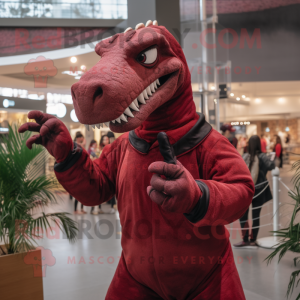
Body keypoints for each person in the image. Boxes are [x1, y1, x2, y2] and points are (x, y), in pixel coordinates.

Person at [234, 135, 275, 248]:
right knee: (256, 215)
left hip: (246, 190)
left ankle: (245, 240)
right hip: (260, 190)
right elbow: (271, 166)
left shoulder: (245, 156)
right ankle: (253, 240)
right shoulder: (262, 156)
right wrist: (272, 158)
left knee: (243, 216)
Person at [73, 132, 86, 214]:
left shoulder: (79, 145)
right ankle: (75, 210)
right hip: (77, 171)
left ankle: (81, 209)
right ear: (79, 138)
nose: (83, 139)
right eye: (81, 138)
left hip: (82, 170)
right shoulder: (75, 145)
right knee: (78, 192)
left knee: (83, 192)